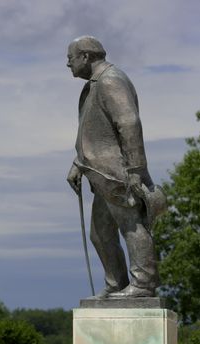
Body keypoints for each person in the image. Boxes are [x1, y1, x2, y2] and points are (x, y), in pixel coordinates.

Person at [66, 35, 166, 298]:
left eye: (70, 58)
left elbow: (129, 123)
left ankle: (143, 284)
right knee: (100, 235)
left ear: (85, 56)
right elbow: (95, 131)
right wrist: (79, 163)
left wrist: (135, 170)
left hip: (117, 173)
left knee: (131, 225)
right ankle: (117, 284)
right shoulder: (94, 84)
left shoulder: (110, 80)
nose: (69, 65)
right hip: (100, 174)